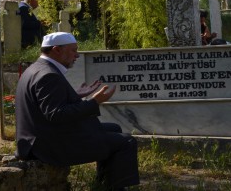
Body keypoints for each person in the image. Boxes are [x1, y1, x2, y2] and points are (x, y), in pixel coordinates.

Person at [16, 32, 139, 190]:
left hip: (41, 137)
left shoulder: (37, 68)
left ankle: (104, 184)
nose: (77, 55)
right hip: (48, 147)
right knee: (127, 142)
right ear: (57, 50)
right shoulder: (49, 75)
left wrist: (76, 95)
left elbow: (47, 104)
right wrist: (94, 102)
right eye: (73, 50)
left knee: (114, 129)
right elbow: (56, 114)